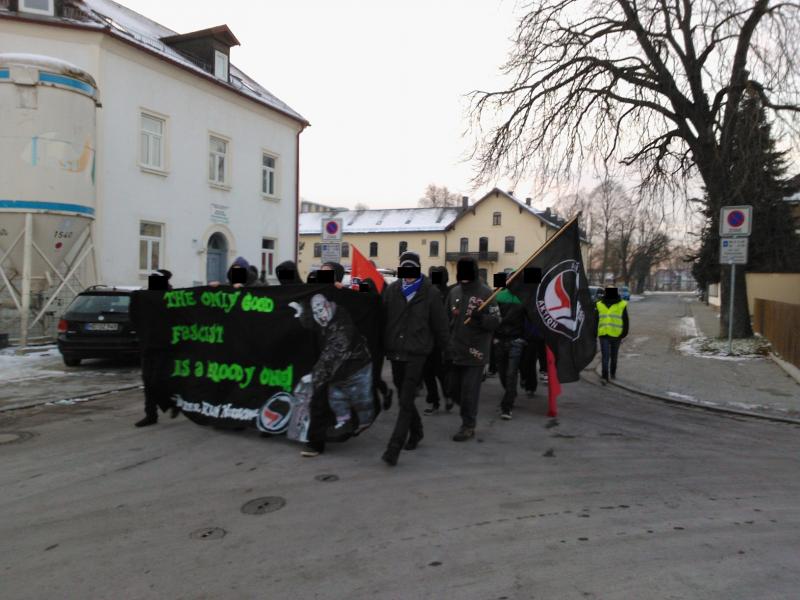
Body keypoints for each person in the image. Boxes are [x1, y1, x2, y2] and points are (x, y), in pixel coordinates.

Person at [381, 252, 449, 466]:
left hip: (418, 353)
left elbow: (440, 326)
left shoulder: (430, 293)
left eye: (412, 269)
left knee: (405, 399)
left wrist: (447, 352)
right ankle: (417, 431)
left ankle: (394, 447)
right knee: (404, 396)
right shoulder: (391, 291)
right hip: (396, 352)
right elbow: (381, 318)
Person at [446, 257, 501, 441]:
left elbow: (495, 321)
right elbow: (447, 320)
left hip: (475, 352)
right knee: (452, 389)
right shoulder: (453, 292)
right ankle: (466, 410)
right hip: (455, 349)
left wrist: (481, 319)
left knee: (469, 391)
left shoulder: (486, 294)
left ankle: (468, 425)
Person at [134, 269, 180, 427]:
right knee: (147, 381)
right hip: (148, 345)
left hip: (165, 346)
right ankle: (151, 414)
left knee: (157, 381)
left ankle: (170, 403)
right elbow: (135, 317)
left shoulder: (173, 298)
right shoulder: (143, 297)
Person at [422, 265, 452, 415]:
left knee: (440, 371)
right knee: (428, 372)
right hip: (426, 338)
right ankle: (435, 401)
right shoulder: (428, 293)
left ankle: (446, 397)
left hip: (441, 339)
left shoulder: (449, 293)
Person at [494, 282, 527, 420]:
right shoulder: (499, 296)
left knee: (511, 373)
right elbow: (493, 317)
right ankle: (511, 393)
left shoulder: (525, 298)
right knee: (503, 373)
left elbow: (530, 320)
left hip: (516, 340)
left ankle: (507, 406)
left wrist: (524, 337)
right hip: (500, 340)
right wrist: (494, 336)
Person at [596, 286, 629, 383]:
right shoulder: (599, 304)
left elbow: (625, 320)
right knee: (606, 356)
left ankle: (612, 373)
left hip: (616, 335)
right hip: (604, 334)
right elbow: (595, 319)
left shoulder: (622, 304)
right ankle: (605, 376)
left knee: (612, 356)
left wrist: (623, 334)